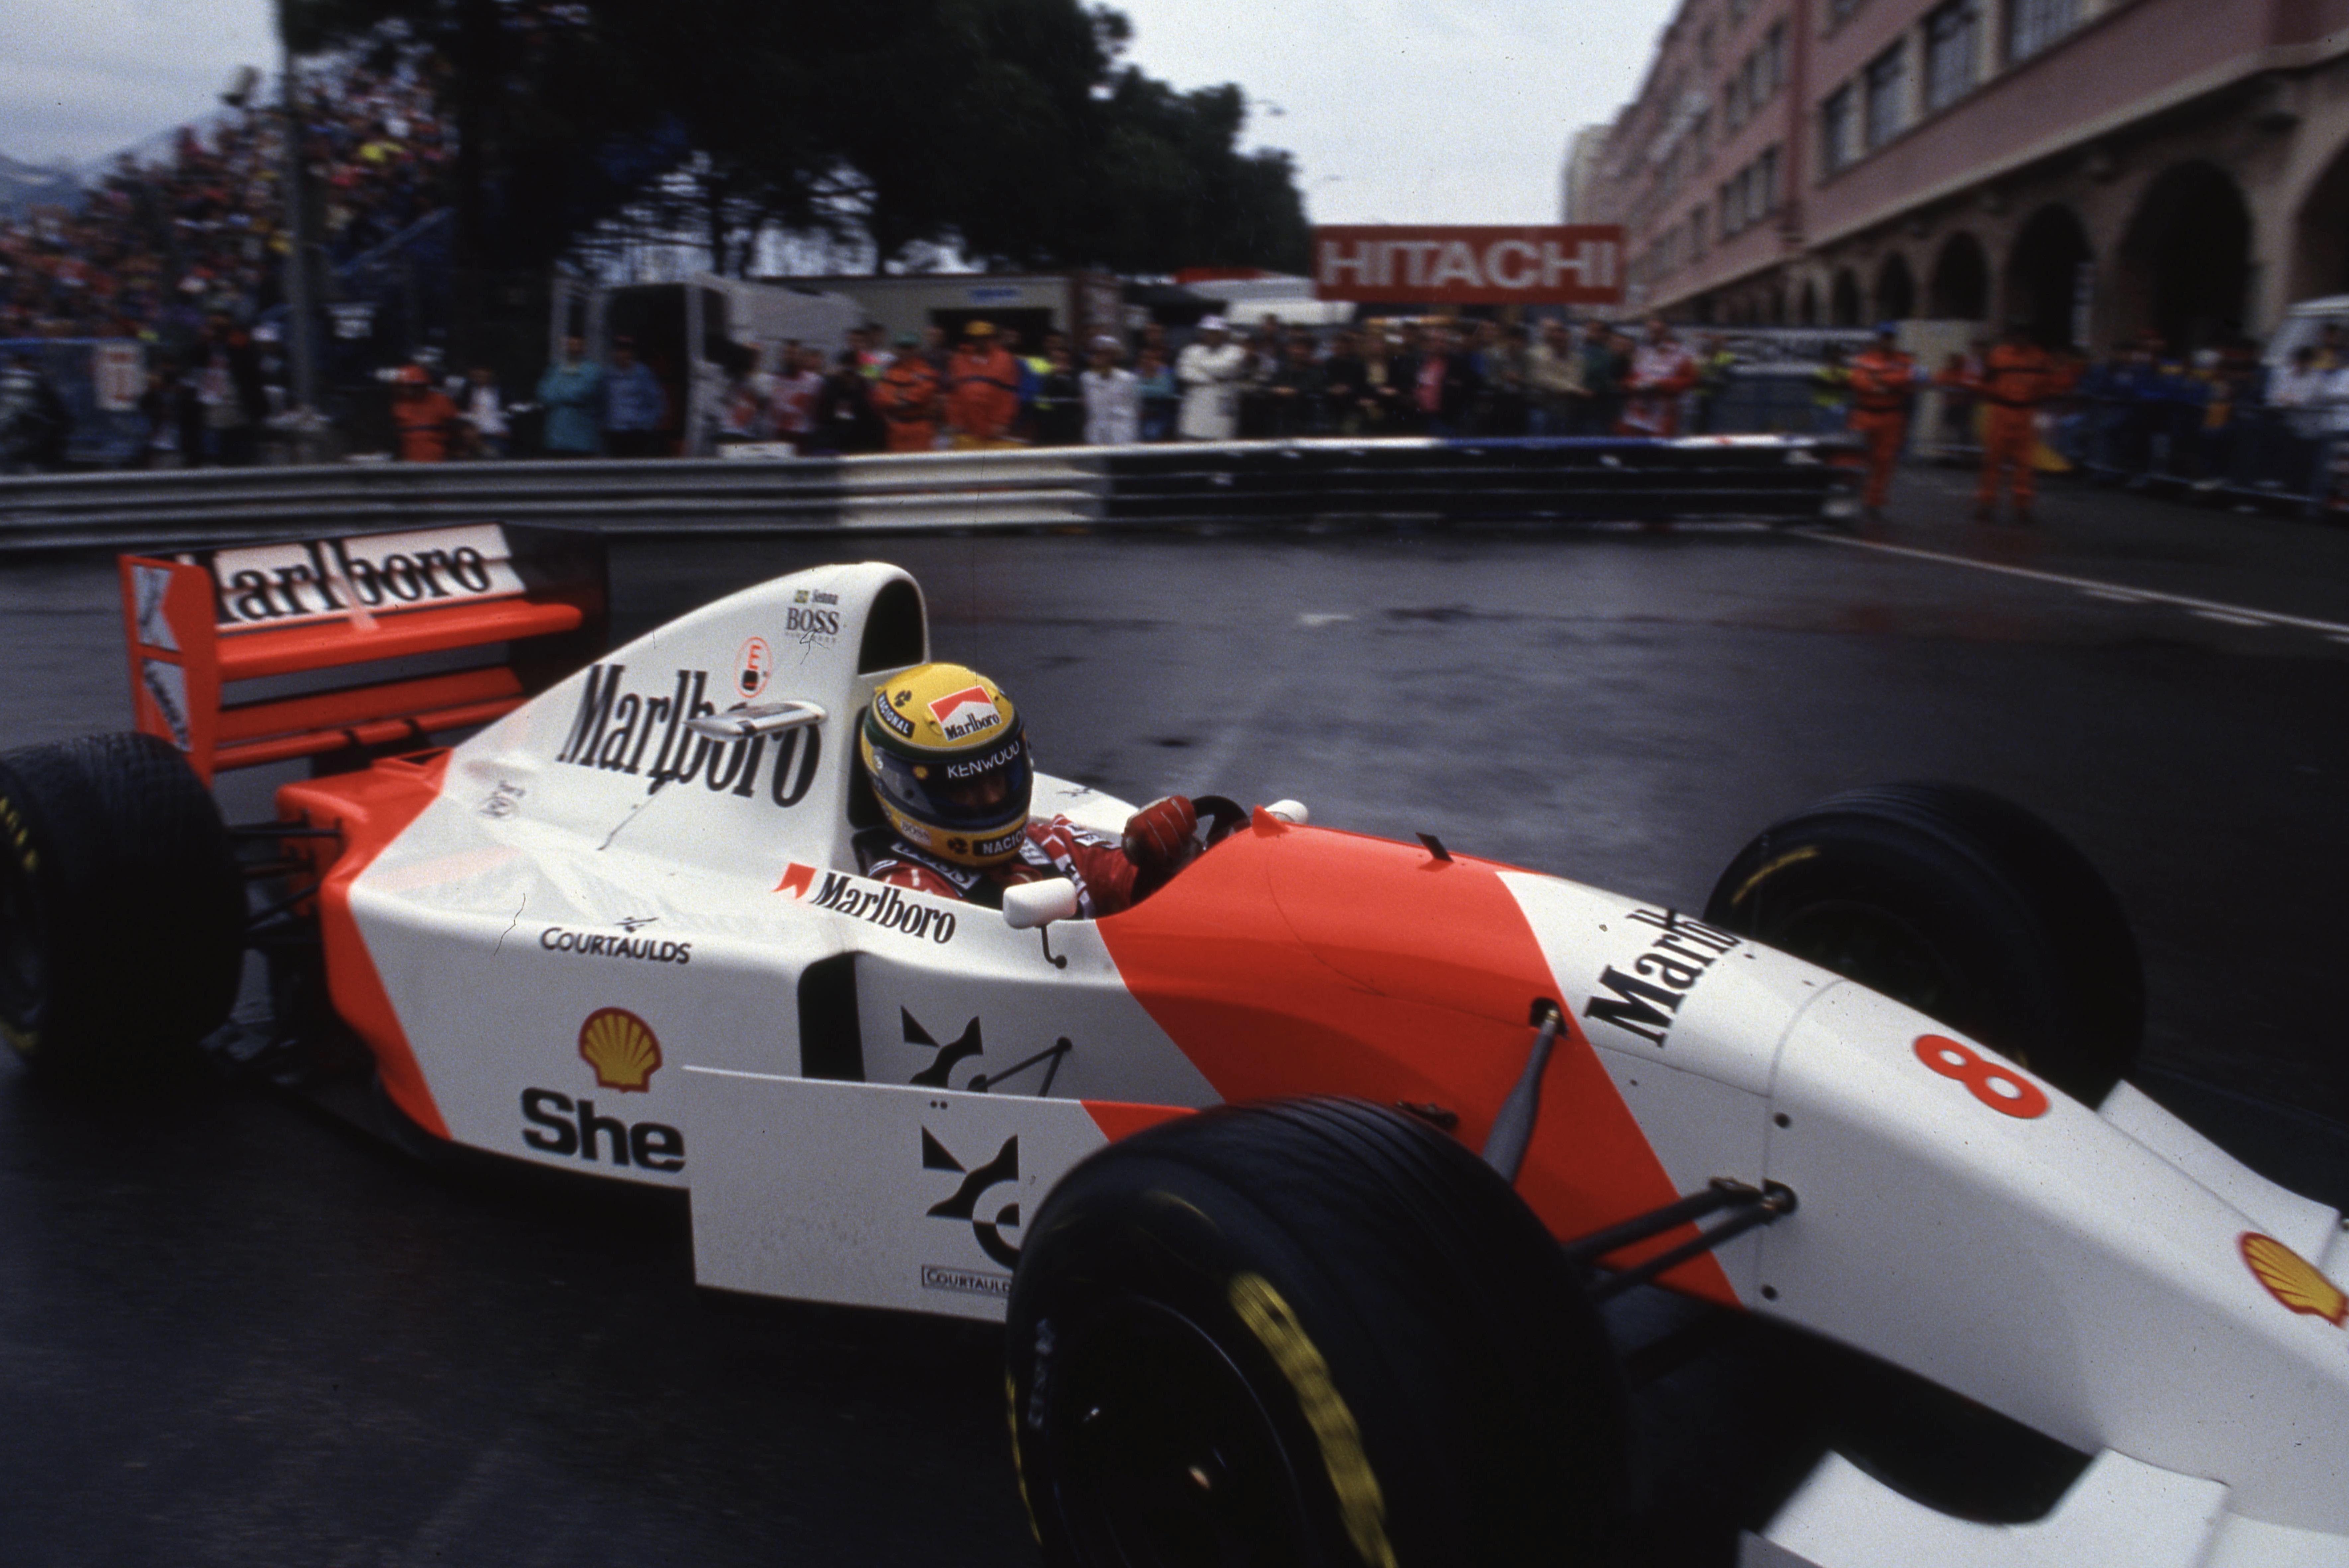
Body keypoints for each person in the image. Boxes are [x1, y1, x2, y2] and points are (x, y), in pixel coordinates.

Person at [855, 661, 1200, 917]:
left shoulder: (1053, 844)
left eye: (999, 776)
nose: (992, 797)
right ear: (904, 788)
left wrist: (1173, 855)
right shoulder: (908, 892)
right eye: (964, 786)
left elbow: (1135, 884)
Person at [1970, 321, 2058, 524]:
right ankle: (1987, 502)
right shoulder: (1999, 356)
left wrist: (2036, 400)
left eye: (2024, 335)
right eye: (2017, 334)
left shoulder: (2040, 359)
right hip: (2002, 411)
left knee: (2025, 463)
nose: (2021, 339)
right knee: (1993, 459)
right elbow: (1985, 382)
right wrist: (1994, 397)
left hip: (2026, 412)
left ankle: (2022, 505)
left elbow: (2049, 385)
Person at [1846, 323, 1920, 521]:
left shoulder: (1904, 360)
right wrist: (1886, 383)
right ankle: (1850, 496)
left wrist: (1877, 381)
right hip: (1864, 415)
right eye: (1884, 337)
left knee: (1884, 460)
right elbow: (1858, 382)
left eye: (1891, 338)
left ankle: (1874, 502)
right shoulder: (1863, 359)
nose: (1887, 341)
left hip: (1891, 417)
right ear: (1878, 338)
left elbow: (1905, 380)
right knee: (1855, 457)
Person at [945, 321, 1024, 448]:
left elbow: (1009, 394)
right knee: (967, 466)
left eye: (984, 337)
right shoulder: (958, 360)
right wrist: (955, 421)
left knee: (994, 466)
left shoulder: (1005, 359)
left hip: (994, 427)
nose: (980, 341)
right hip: (966, 427)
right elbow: (954, 394)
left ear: (992, 338)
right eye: (976, 338)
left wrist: (1002, 422)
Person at [1618, 319, 1697, 437]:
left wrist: (1661, 385)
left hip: (1664, 414)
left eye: (1658, 332)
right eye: (1651, 331)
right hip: (1637, 412)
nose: (1654, 335)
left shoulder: (1681, 355)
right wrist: (1633, 385)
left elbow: (1690, 381)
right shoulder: (1641, 353)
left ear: (1666, 332)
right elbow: (1629, 378)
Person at [1175, 316, 1249, 441]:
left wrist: (1198, 365)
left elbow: (1225, 369)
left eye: (1216, 332)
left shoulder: (1235, 351)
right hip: (1194, 415)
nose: (1212, 335)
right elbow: (1184, 372)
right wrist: (1213, 379)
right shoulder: (1191, 351)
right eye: (1208, 332)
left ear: (1225, 334)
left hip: (1222, 412)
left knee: (1220, 449)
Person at [872, 333, 943, 453]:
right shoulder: (889, 372)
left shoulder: (927, 371)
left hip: (920, 426)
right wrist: (902, 398)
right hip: (896, 428)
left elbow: (922, 395)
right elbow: (881, 397)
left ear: (917, 349)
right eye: (902, 347)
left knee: (923, 466)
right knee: (899, 467)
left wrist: (897, 396)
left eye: (909, 347)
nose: (905, 351)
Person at [537, 334, 605, 456]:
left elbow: (580, 393)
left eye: (578, 345)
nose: (574, 348)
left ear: (584, 348)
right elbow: (544, 394)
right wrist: (568, 390)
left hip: (581, 440)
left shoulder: (593, 370)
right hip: (556, 439)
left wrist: (559, 391)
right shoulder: (555, 369)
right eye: (571, 345)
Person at [602, 336, 668, 458]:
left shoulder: (643, 373)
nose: (623, 355)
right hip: (614, 431)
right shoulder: (608, 374)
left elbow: (657, 402)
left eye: (627, 351)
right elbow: (603, 401)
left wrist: (648, 425)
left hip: (638, 432)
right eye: (620, 351)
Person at [811, 350, 883, 454]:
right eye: (846, 372)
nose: (849, 377)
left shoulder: (865, 391)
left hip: (860, 444)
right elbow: (822, 419)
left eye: (853, 372)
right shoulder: (830, 389)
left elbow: (873, 423)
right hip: (834, 444)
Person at [1526, 320, 1588, 436]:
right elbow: (1542, 379)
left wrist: (1565, 388)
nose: (1561, 342)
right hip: (1542, 408)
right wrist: (1574, 390)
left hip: (1567, 410)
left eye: (1564, 340)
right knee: (1540, 445)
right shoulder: (1537, 355)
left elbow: (1577, 380)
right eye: (1557, 340)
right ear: (1551, 341)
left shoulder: (1578, 359)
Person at [389, 362, 459, 462]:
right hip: (408, 457)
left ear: (424, 385)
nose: (406, 390)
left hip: (440, 456)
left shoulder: (442, 401)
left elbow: (458, 429)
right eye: (403, 386)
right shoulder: (398, 405)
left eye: (411, 386)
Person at [1080, 336, 1141, 446]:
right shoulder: (1087, 379)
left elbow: (1135, 407)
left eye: (1106, 354)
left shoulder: (1129, 379)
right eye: (1097, 353)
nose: (1101, 357)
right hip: (1096, 429)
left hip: (1122, 430)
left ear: (1114, 357)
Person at [1031, 346, 1084, 446]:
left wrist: (1063, 377)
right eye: (1056, 360)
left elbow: (1076, 393)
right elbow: (1044, 392)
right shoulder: (1044, 377)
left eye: (1064, 360)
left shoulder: (1078, 377)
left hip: (1071, 426)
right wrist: (1055, 376)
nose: (1060, 363)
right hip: (1048, 425)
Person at [457, 364, 509, 458]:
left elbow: (509, 413)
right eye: (478, 375)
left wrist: (505, 430)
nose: (481, 377)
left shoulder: (502, 392)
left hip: (497, 435)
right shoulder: (468, 391)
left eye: (485, 374)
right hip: (473, 436)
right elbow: (463, 414)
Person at [1133, 344, 1178, 442]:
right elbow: (1130, 391)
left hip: (1158, 415)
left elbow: (1164, 392)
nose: (1147, 361)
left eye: (1151, 359)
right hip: (1136, 415)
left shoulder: (1166, 374)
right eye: (1144, 358)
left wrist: (1143, 388)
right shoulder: (1134, 375)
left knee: (1152, 432)